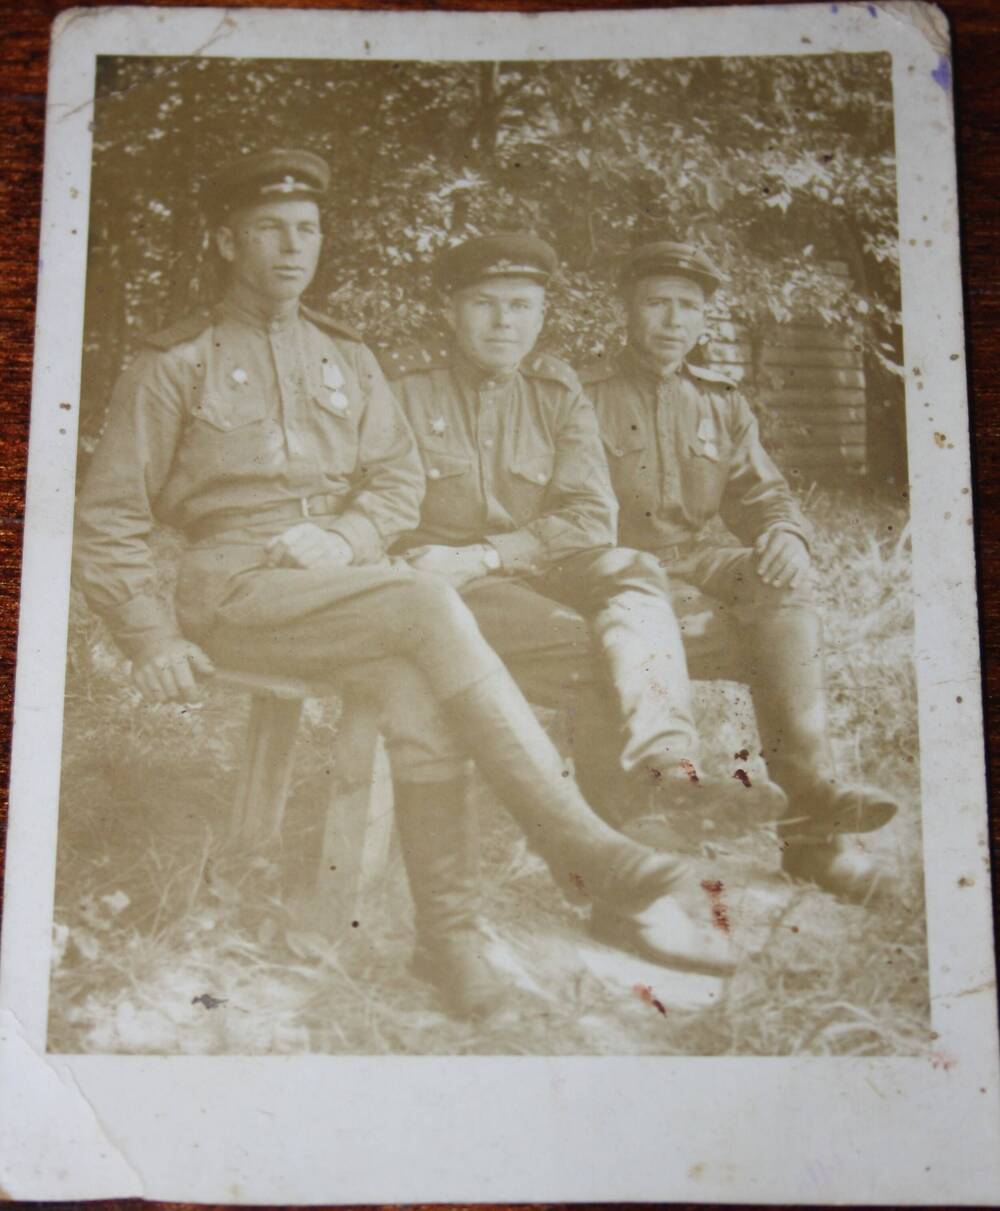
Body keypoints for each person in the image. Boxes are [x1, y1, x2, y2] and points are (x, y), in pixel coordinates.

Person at [72, 151, 735, 1022]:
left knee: (412, 679)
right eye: (269, 228)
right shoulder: (175, 361)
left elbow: (393, 481)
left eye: (306, 229)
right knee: (429, 601)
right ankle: (579, 843)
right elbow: (107, 514)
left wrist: (344, 533)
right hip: (233, 587)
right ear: (225, 240)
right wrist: (150, 636)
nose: (291, 247)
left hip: (339, 581)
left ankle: (446, 943)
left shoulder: (347, 357)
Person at [382, 233, 786, 860]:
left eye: (520, 306)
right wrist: (454, 563)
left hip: (529, 563)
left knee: (634, 567)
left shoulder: (555, 390)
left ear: (542, 315)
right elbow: (382, 504)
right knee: (583, 643)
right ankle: (627, 824)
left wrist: (491, 552)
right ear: (450, 311)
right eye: (485, 304)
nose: (503, 322)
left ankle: (670, 762)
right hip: (448, 582)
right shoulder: (405, 390)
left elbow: (590, 514)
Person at [579, 239, 900, 901]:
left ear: (703, 320)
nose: (672, 319)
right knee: (737, 626)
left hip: (698, 558)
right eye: (657, 303)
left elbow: (762, 493)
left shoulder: (722, 402)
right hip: (617, 565)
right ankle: (814, 815)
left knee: (781, 582)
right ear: (627, 310)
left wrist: (785, 533)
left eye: (687, 307)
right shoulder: (583, 395)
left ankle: (813, 840)